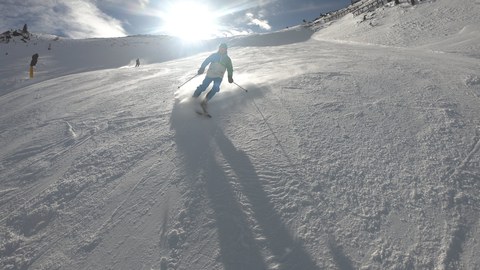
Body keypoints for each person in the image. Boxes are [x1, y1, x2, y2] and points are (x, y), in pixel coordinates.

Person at [193, 43, 233, 107]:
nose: (222, 49)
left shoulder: (227, 59)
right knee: (204, 86)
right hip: (210, 74)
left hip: (219, 76)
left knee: (215, 88)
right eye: (221, 48)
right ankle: (194, 97)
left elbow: (230, 68)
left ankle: (205, 101)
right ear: (219, 48)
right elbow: (207, 61)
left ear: (226, 49)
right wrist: (202, 68)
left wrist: (230, 76)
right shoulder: (214, 55)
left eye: (224, 48)